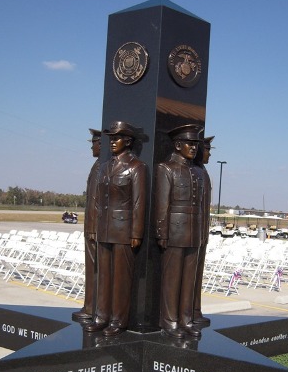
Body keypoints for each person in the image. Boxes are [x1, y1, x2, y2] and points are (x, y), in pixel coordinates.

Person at [85, 121, 147, 337]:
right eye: (111, 138)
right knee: (103, 276)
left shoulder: (136, 167)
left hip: (123, 230)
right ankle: (101, 317)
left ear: (128, 141)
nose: (112, 142)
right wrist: (93, 226)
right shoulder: (104, 167)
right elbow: (96, 200)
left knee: (121, 278)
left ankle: (118, 320)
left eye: (117, 138)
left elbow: (139, 203)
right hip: (104, 228)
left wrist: (136, 232)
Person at [154, 124, 205, 339]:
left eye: (195, 144)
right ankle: (170, 320)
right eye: (189, 144)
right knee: (172, 279)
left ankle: (185, 319)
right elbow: (162, 204)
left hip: (193, 233)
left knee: (188, 280)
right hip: (174, 232)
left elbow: (201, 205)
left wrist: (201, 233)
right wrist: (162, 233)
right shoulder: (166, 169)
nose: (193, 148)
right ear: (177, 145)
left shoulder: (198, 172)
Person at [72, 129, 101, 323]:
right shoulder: (98, 166)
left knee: (96, 271)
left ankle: (93, 308)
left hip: (97, 227)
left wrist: (92, 227)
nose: (92, 146)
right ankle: (90, 306)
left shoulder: (102, 167)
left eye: (95, 143)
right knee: (92, 270)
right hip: (92, 226)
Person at [192, 135, 214, 328]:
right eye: (206, 150)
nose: (208, 154)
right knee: (191, 275)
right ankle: (191, 310)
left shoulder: (202, 172)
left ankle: (194, 309)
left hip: (200, 232)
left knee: (197, 275)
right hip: (192, 232)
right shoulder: (197, 172)